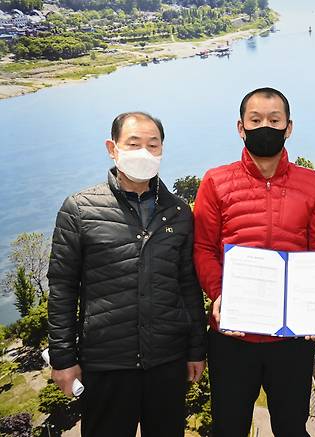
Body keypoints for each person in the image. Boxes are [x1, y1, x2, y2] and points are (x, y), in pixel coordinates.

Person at [47, 112, 206, 437]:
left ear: (162, 150)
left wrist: (195, 350)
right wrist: (62, 359)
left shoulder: (177, 212)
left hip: (167, 360)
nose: (144, 153)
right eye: (134, 144)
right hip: (106, 362)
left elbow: (188, 285)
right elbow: (62, 288)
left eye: (153, 145)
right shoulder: (80, 209)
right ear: (112, 147)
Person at [193, 87, 315, 437]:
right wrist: (218, 294)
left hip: (291, 337)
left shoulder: (313, 184)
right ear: (241, 127)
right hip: (232, 333)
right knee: (229, 426)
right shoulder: (215, 181)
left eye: (274, 120)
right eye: (256, 120)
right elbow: (203, 248)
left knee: (291, 426)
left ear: (289, 127)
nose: (265, 127)